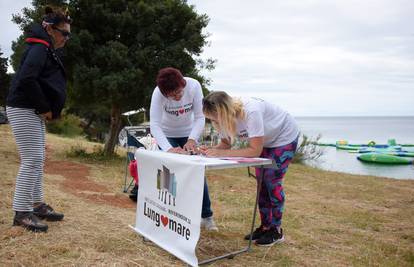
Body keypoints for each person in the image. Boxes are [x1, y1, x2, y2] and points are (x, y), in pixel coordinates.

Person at [200, 91, 299, 246]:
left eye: (216, 118)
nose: (215, 122)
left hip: (283, 136)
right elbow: (226, 144)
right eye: (211, 119)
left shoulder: (251, 111)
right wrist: (210, 150)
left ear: (224, 111)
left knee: (271, 181)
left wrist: (222, 153)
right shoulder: (220, 118)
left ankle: (276, 230)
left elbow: (254, 151)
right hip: (265, 141)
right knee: (261, 183)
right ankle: (265, 226)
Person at [6, 6, 72, 232]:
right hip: (24, 108)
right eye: (65, 33)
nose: (67, 38)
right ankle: (22, 212)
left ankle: (36, 205)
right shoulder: (39, 48)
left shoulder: (45, 48)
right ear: (51, 30)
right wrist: (45, 107)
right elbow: (27, 79)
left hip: (30, 110)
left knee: (38, 158)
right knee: (32, 160)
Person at [149, 67, 218, 231]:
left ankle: (206, 216)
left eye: (179, 92)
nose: (177, 97)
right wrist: (168, 149)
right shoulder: (158, 94)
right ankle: (169, 214)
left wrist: (192, 139)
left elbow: (200, 117)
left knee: (196, 171)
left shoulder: (194, 86)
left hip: (188, 133)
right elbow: (155, 125)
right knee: (168, 172)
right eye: (172, 95)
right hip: (166, 134)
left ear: (183, 83)